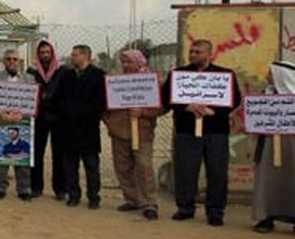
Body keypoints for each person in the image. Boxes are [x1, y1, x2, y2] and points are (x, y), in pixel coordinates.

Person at [162, 39, 241, 226]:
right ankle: (185, 207)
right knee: (185, 171)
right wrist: (186, 106)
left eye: (198, 52)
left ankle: (215, 211)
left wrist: (214, 111)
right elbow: (166, 98)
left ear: (209, 54)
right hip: (187, 131)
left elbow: (235, 99)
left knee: (217, 172)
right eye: (192, 51)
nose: (193, 55)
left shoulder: (224, 75)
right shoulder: (178, 75)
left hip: (216, 131)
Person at [102, 49, 161, 220]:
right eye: (124, 62)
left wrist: (143, 112)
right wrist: (109, 121)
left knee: (144, 166)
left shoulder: (151, 82)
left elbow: (161, 108)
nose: (126, 65)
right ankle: (132, 199)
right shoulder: (116, 83)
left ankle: (149, 203)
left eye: (129, 62)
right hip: (119, 132)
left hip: (142, 133)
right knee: (122, 168)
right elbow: (104, 105)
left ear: (139, 62)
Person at [56, 45, 106, 208]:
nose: (72, 57)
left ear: (85, 56)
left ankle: (93, 197)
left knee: (91, 166)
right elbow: (59, 97)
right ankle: (73, 195)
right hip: (68, 128)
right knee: (70, 166)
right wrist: (67, 111)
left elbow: (100, 102)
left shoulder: (98, 76)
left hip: (88, 129)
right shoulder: (67, 75)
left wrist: (80, 111)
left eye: (75, 55)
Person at [251, 61, 295, 234]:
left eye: (270, 72)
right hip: (269, 144)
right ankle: (266, 217)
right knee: (266, 180)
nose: (267, 76)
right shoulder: (266, 94)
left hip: (291, 144)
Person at [0, 49, 35, 200]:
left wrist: (22, 114)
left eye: (14, 59)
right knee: (0, 156)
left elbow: (32, 101)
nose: (11, 62)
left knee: (22, 156)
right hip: (1, 121)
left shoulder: (29, 79)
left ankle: (24, 188)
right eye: (8, 59)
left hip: (22, 122)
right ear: (3, 61)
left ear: (19, 61)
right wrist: (0, 113)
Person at [27, 39, 68, 200]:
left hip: (59, 117)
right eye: (42, 52)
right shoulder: (32, 71)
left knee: (59, 154)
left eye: (48, 52)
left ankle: (60, 189)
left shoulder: (63, 70)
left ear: (52, 53)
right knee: (37, 152)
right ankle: (36, 187)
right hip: (39, 116)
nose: (45, 55)